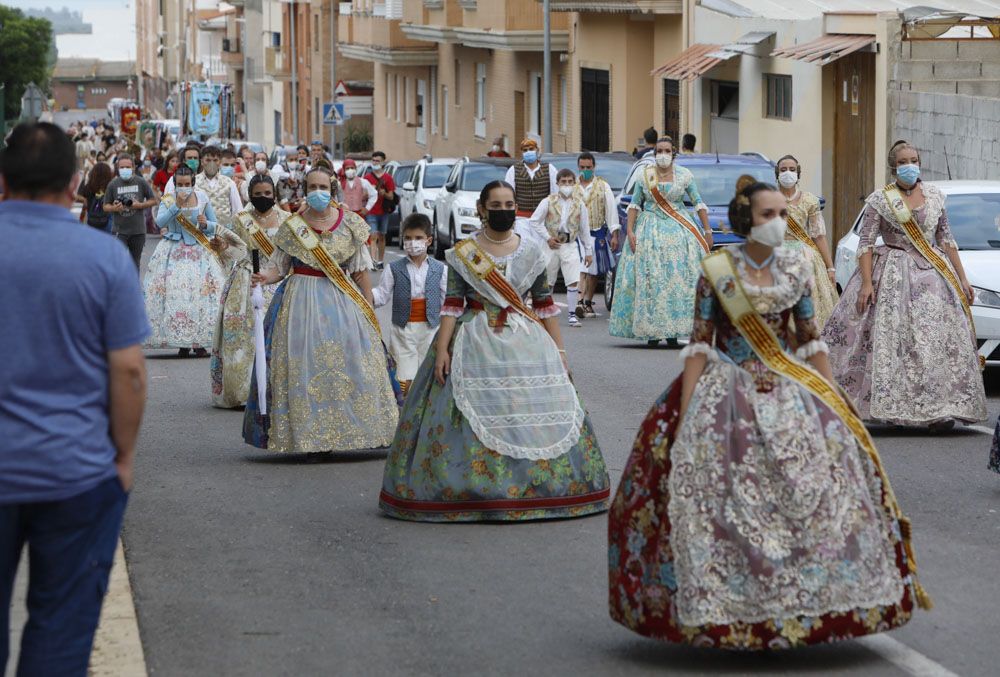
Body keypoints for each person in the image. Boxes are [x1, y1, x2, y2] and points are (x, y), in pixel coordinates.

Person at [608, 180, 929, 649]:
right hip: (727, 391)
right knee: (718, 499)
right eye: (768, 215)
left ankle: (806, 600)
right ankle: (729, 605)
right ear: (745, 220)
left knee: (813, 491)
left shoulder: (795, 267)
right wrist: (685, 410)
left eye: (783, 213)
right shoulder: (718, 270)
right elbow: (700, 345)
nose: (779, 222)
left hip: (789, 391)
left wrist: (835, 398)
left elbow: (809, 338)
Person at [0, 122, 149, 676]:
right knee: (60, 632)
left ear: (2, 180)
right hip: (77, 472)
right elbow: (130, 371)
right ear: (74, 184)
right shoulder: (104, 258)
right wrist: (124, 457)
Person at [379, 181, 609, 521]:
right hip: (473, 338)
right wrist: (442, 350)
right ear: (483, 210)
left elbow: (545, 307)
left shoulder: (532, 252)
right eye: (496, 205)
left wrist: (560, 353)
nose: (504, 210)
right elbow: (452, 306)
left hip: (525, 340)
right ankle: (477, 489)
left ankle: (538, 487)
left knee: (525, 413)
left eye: (509, 204)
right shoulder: (464, 252)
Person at [823, 140, 986, 429]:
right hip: (892, 274)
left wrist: (962, 278)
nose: (909, 165)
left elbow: (946, 240)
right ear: (893, 167)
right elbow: (866, 242)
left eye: (913, 159)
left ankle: (938, 410)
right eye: (902, 162)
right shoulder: (881, 199)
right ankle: (892, 407)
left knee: (933, 341)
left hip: (933, 277)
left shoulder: (935, 196)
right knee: (894, 340)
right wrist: (865, 283)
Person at [244, 167, 400, 454]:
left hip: (344, 301)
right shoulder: (293, 226)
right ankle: (310, 438)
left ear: (332, 188)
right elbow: (280, 266)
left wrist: (369, 310)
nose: (318, 192)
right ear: (305, 189)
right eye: (312, 187)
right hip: (301, 301)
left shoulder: (351, 224)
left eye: (323, 187)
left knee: (354, 362)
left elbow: (361, 271)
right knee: (304, 364)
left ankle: (356, 432)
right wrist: (264, 276)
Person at [609, 136, 712, 346]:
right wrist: (629, 231)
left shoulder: (684, 175)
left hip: (680, 231)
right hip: (649, 232)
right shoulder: (645, 175)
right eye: (658, 151)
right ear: (654, 153)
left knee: (677, 281)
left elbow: (698, 202)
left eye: (666, 151)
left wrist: (707, 230)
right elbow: (635, 205)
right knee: (651, 280)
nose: (662, 155)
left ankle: (674, 333)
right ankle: (652, 332)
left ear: (673, 153)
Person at [144, 165, 242, 357]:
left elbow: (214, 225)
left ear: (193, 183)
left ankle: (199, 343)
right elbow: (160, 222)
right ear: (175, 184)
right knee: (177, 294)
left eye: (187, 184)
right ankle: (182, 343)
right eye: (180, 184)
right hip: (173, 250)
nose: (183, 188)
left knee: (201, 295)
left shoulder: (203, 198)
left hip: (199, 251)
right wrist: (176, 207)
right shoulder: (169, 199)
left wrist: (206, 223)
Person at [210, 175, 289, 408]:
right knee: (242, 339)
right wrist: (221, 247)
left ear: (274, 194)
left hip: (277, 281)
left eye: (267, 193)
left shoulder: (287, 219)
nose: (263, 198)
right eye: (258, 194)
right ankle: (242, 391)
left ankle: (276, 392)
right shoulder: (240, 220)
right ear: (250, 195)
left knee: (275, 337)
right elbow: (231, 251)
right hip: (245, 282)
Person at [372, 213, 447, 396]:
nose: (413, 242)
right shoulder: (393, 268)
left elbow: (448, 302)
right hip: (402, 330)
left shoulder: (441, 269)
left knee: (426, 370)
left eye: (418, 238)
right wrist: (361, 293)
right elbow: (381, 295)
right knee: (403, 373)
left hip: (431, 329)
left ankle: (423, 411)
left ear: (428, 240)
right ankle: (405, 409)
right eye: (408, 238)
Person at [775, 155, 839, 327]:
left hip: (806, 257)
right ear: (777, 174)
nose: (787, 173)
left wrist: (830, 267)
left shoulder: (810, 200)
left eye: (792, 169)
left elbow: (819, 236)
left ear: (798, 173)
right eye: (783, 170)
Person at [529, 168, 593, 328]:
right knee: (548, 281)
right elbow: (534, 221)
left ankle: (572, 314)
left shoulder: (580, 204)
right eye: (563, 182)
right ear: (557, 183)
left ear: (575, 183)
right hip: (551, 245)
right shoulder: (548, 201)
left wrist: (588, 251)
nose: (567, 185)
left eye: (570, 182)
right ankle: (544, 313)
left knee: (573, 280)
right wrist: (547, 237)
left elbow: (585, 229)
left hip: (570, 244)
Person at [575, 152, 620, 318]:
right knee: (582, 268)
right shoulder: (572, 186)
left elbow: (611, 211)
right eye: (582, 167)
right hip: (577, 235)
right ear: (578, 167)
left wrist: (614, 234)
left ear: (593, 167)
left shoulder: (603, 186)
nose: (585, 170)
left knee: (593, 271)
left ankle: (587, 301)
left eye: (588, 167)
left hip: (597, 232)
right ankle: (579, 301)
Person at [103, 153, 157, 269]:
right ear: (118, 168)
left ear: (133, 167)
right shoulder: (113, 184)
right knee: (118, 263)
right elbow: (105, 206)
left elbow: (153, 200)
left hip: (138, 231)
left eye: (127, 167)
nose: (125, 170)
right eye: (122, 167)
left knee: (135, 263)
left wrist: (140, 205)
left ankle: (134, 287)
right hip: (119, 230)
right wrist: (114, 208)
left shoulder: (141, 182)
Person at [503, 137, 557, 238]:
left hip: (543, 220)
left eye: (531, 149)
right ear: (521, 153)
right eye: (525, 150)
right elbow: (508, 195)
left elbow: (555, 195)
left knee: (542, 250)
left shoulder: (549, 169)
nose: (528, 152)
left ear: (537, 150)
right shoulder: (514, 170)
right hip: (521, 219)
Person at [365, 150, 397, 269]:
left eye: (377, 161)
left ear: (383, 162)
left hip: (384, 211)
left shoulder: (388, 178)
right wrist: (369, 192)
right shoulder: (367, 178)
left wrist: (383, 193)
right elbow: (363, 196)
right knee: (373, 236)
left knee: (382, 236)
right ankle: (373, 261)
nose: (375, 163)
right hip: (371, 211)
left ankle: (380, 260)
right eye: (373, 160)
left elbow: (391, 196)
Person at [77, 161, 115, 232]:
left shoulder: (89, 186)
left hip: (91, 221)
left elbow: (77, 197)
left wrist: (85, 201)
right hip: (108, 221)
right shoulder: (111, 186)